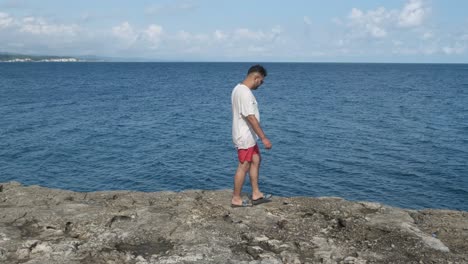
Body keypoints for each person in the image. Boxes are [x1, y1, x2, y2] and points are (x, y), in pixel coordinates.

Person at [231, 64, 272, 207]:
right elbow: (251, 117)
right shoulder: (245, 93)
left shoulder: (238, 89)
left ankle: (256, 193)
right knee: (244, 165)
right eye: (261, 81)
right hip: (244, 136)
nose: (261, 84)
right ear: (256, 77)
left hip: (249, 137)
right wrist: (264, 138)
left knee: (256, 160)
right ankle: (236, 199)